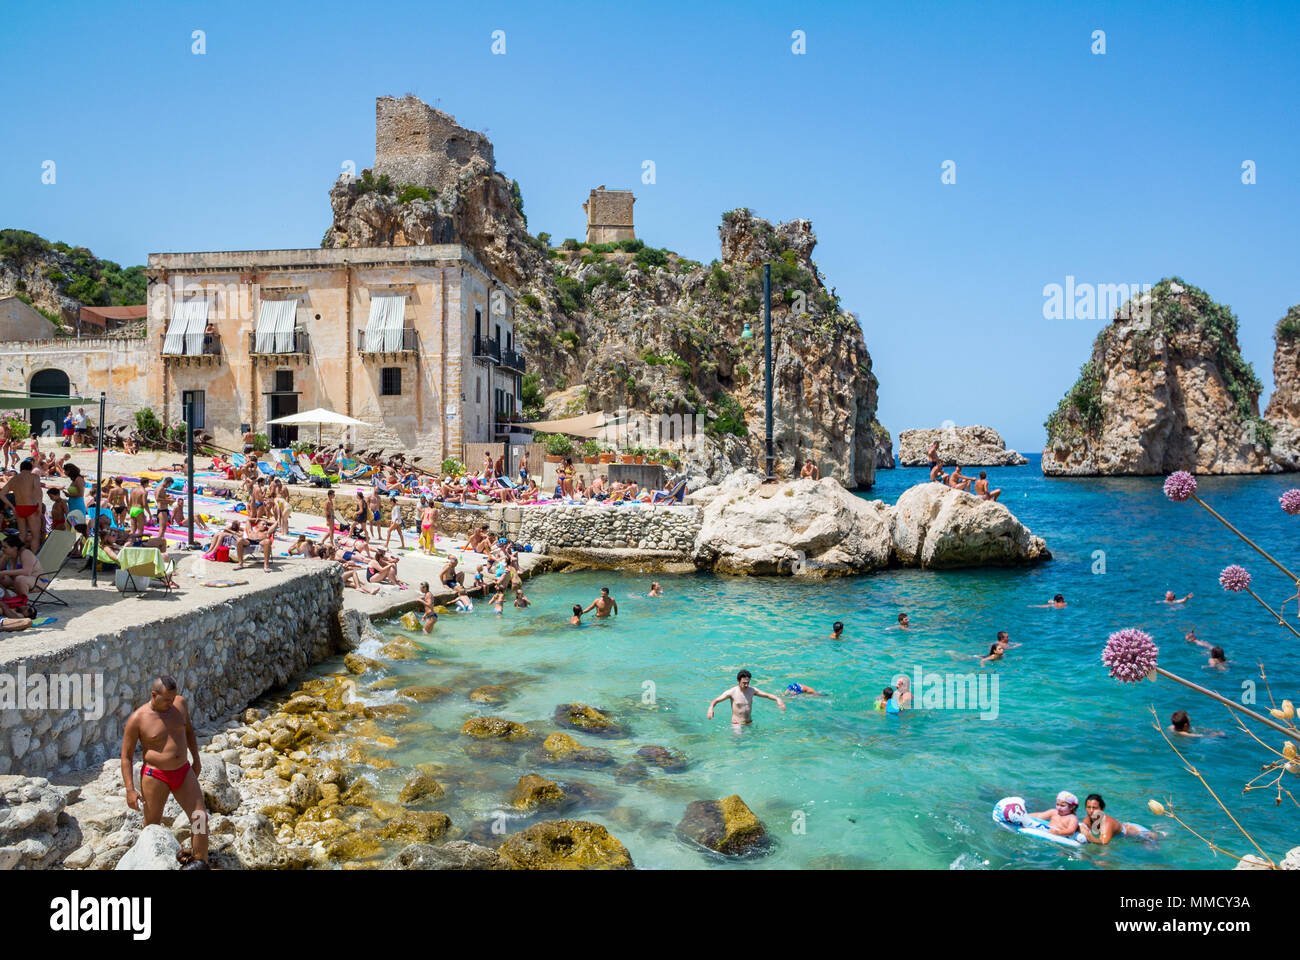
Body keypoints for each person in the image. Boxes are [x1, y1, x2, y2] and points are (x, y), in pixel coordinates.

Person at [121, 676, 209, 868]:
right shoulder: (138, 718)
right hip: (155, 776)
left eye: (174, 698)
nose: (172, 703)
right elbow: (126, 757)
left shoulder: (180, 705)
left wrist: (197, 759)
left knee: (199, 817)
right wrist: (130, 789)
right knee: (152, 827)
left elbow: (189, 732)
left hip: (183, 771)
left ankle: (201, 864)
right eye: (167, 699)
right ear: (154, 695)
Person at [707, 669, 785, 726]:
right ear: (738, 681)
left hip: (749, 722)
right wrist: (711, 708)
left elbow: (767, 695)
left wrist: (778, 699)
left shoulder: (752, 690)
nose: (746, 685)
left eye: (748, 683)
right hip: (737, 724)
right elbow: (716, 700)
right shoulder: (732, 692)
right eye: (744, 683)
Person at [1, 460, 44, 549]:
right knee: (35, 536)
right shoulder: (34, 477)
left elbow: (1, 494)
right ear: (31, 468)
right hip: (31, 507)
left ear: (21, 469)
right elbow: (38, 492)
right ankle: (34, 559)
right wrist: (39, 506)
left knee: (22, 536)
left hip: (19, 508)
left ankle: (17, 556)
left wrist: (12, 507)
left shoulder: (14, 479)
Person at [1077, 794, 1152, 844]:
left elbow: (1103, 843)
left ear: (1102, 809)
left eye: (1095, 808)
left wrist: (1088, 835)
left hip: (1139, 834)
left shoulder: (1106, 823)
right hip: (1125, 831)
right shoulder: (1087, 820)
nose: (1091, 811)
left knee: (1153, 847)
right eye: (1088, 807)